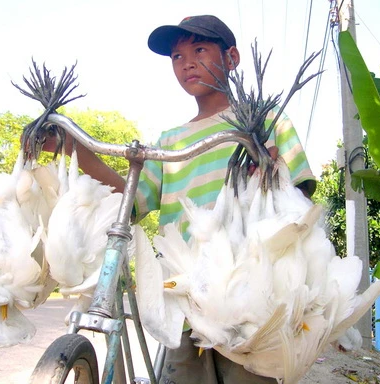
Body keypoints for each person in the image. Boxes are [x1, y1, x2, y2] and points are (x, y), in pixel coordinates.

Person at [45, 14, 316, 384]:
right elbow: (131, 200)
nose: (186, 62)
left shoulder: (266, 120)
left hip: (249, 293)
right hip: (184, 293)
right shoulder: (170, 141)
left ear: (232, 58)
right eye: (176, 56)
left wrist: (271, 169)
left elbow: (298, 197)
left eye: (200, 49)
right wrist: (72, 147)